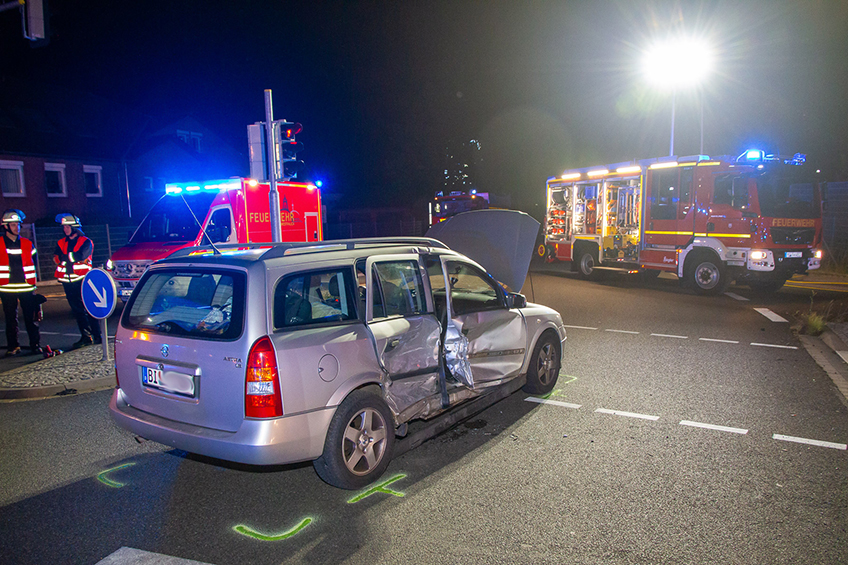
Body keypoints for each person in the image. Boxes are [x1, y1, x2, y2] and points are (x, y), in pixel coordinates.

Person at [53, 213, 101, 348]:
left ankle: (97, 336)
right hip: (67, 281)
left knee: (89, 308)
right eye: (64, 227)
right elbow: (56, 258)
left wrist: (65, 256)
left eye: (67, 226)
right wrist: (68, 256)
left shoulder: (85, 241)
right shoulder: (61, 242)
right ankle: (86, 337)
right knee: (77, 311)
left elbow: (81, 256)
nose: (65, 229)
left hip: (82, 279)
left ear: (74, 227)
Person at [0, 209, 41, 356]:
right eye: (13, 225)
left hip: (26, 286)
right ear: (5, 226)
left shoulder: (27, 243)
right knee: (10, 320)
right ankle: (13, 347)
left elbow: (34, 263)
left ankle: (35, 345)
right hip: (6, 288)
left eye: (18, 224)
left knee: (31, 319)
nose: (17, 227)